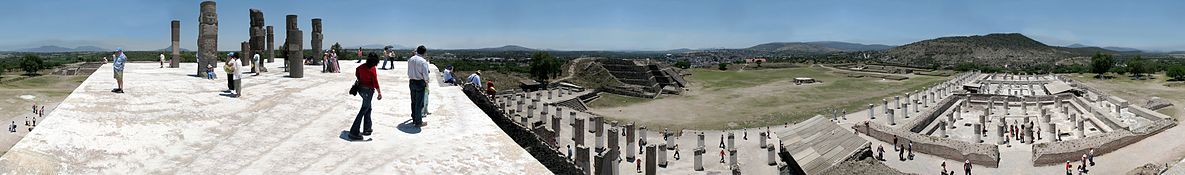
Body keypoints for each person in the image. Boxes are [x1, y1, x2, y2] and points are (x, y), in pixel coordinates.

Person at [347, 53, 382, 140]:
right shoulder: (372, 69)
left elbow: (357, 71)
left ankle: (367, 128)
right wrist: (379, 93)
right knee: (364, 109)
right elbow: (375, 82)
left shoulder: (361, 66)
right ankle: (353, 132)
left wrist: (361, 79)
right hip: (368, 91)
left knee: (368, 108)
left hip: (361, 89)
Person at [407, 45, 430, 127]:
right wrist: (427, 82)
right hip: (420, 82)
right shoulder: (423, 61)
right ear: (424, 52)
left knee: (413, 101)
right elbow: (425, 75)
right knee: (419, 103)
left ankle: (414, 118)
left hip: (412, 81)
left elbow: (408, 71)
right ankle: (418, 122)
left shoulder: (411, 59)